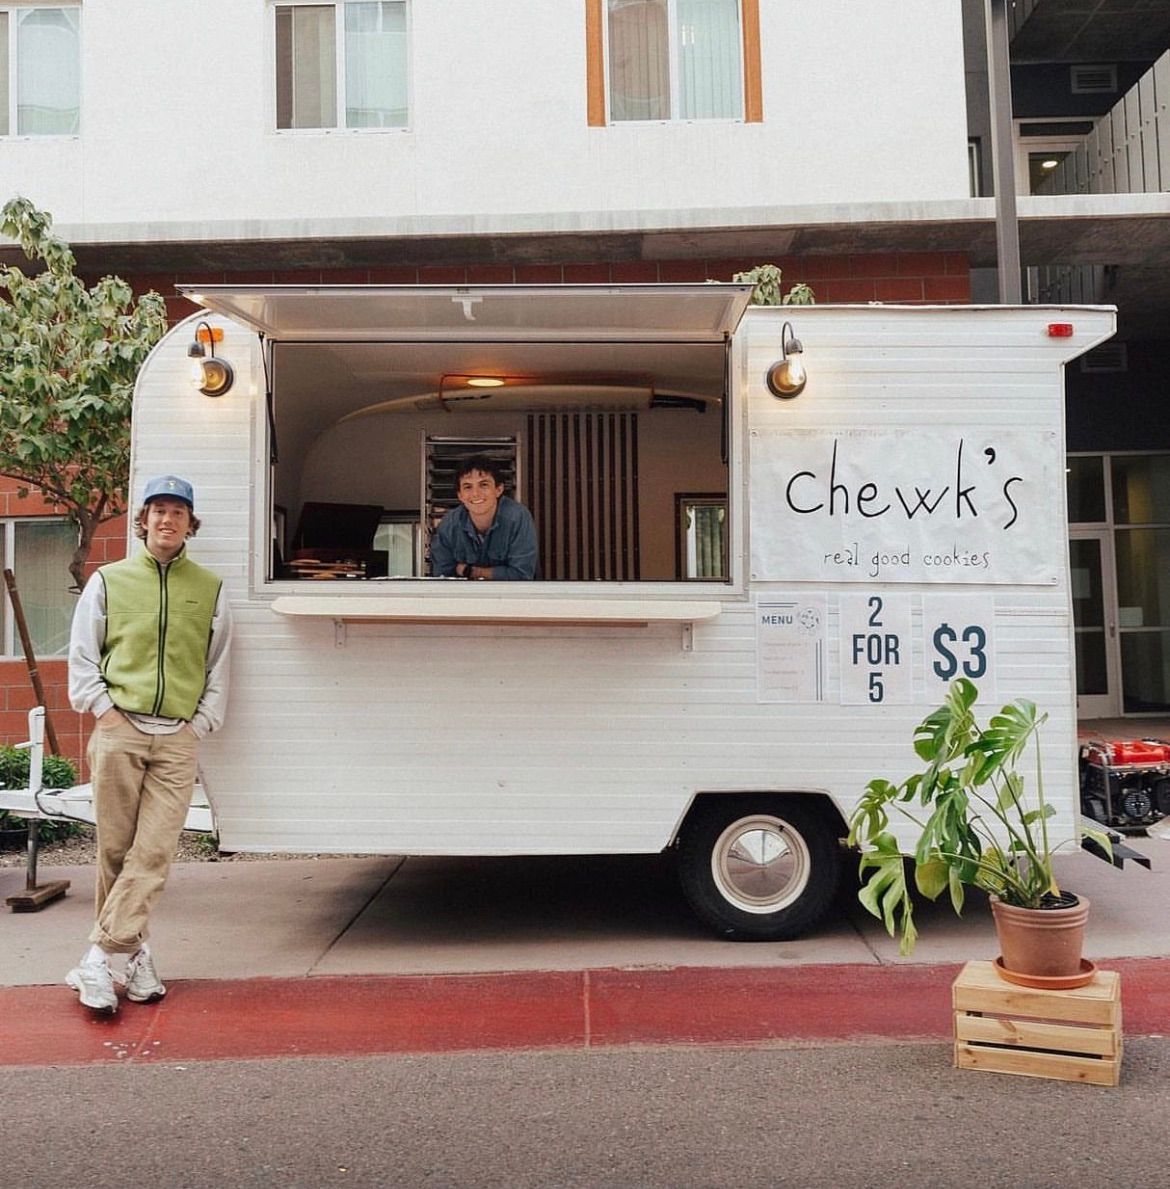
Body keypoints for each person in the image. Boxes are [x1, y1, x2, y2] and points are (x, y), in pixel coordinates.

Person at [65, 475, 232, 1014]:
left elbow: (218, 664)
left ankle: (96, 958)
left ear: (190, 524)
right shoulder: (109, 581)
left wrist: (199, 724)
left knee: (154, 851)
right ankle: (135, 958)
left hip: (177, 738)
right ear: (142, 521)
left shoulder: (209, 588)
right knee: (115, 851)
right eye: (158, 510)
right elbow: (82, 655)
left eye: (177, 512)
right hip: (119, 729)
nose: (167, 520)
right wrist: (105, 712)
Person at [429, 455, 538, 580]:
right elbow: (442, 578)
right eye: (468, 487)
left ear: (499, 489)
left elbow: (521, 575)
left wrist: (471, 571)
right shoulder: (449, 525)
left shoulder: (518, 517)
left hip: (515, 597)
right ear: (460, 495)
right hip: (464, 597)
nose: (476, 494)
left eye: (484, 485)